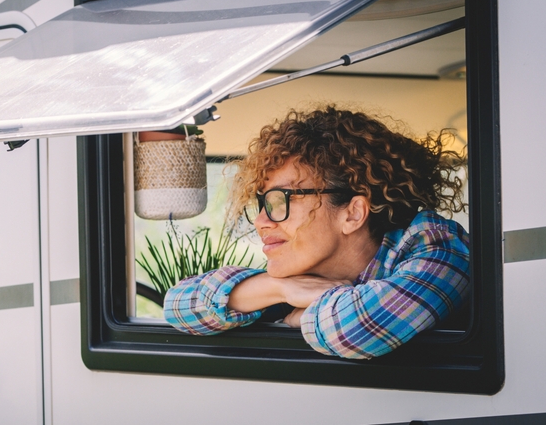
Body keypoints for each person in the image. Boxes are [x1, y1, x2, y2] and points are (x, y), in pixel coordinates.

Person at [164, 105, 470, 359]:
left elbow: (353, 331)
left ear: (352, 214)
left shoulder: (440, 246)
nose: (260, 222)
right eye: (261, 203)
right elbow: (178, 305)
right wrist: (279, 289)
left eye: (280, 201)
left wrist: (295, 314)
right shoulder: (306, 274)